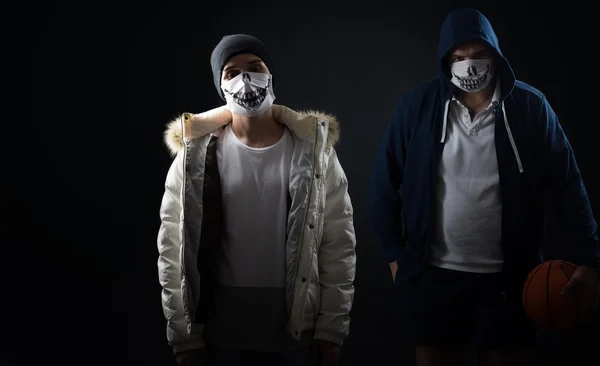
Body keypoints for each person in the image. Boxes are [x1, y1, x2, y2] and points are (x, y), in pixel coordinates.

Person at [369, 8, 599, 366]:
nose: (469, 65)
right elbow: (384, 182)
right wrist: (394, 254)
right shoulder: (417, 106)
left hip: (509, 281)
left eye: (478, 56)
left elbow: (568, 185)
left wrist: (590, 258)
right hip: (434, 278)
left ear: (496, 56)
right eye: (459, 58)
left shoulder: (530, 107)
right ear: (446, 61)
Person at [157, 34, 356, 366]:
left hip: (295, 333)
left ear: (270, 75)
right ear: (221, 87)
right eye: (231, 72)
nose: (245, 80)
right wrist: (184, 337)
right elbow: (173, 248)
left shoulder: (314, 153)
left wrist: (331, 329)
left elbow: (338, 243)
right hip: (220, 332)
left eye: (254, 68)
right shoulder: (195, 158)